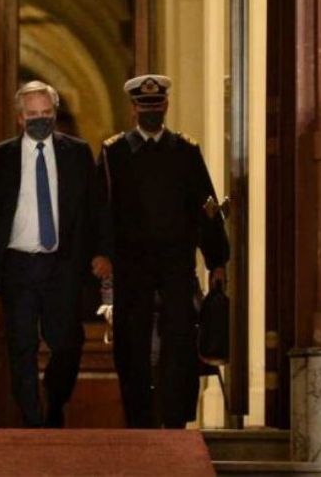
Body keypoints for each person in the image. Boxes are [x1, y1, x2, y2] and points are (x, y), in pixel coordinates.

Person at [0, 80, 112, 428]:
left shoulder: (77, 153)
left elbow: (96, 208)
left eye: (46, 113)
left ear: (55, 113)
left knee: (67, 343)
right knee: (21, 346)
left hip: (63, 265)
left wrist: (102, 252)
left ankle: (53, 398)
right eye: (32, 114)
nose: (40, 120)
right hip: (18, 264)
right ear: (20, 118)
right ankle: (34, 422)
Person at [96, 74, 229, 429]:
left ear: (166, 106)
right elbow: (100, 209)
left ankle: (175, 418)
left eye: (156, 106)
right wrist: (102, 255)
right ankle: (137, 419)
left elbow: (206, 208)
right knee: (131, 343)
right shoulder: (114, 152)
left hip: (175, 263)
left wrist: (217, 259)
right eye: (144, 106)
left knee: (180, 340)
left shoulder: (186, 151)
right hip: (131, 264)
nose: (151, 112)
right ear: (133, 109)